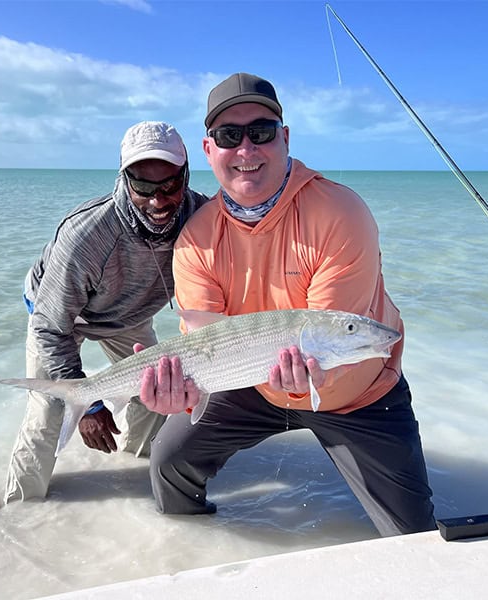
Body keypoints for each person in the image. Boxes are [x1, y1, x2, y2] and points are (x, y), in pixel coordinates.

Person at [145, 73, 436, 536]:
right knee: (167, 462)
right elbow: (204, 346)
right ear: (208, 150)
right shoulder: (195, 240)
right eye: (228, 136)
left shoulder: (339, 212)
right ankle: (199, 554)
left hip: (355, 394)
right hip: (250, 380)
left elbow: (337, 338)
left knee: (415, 540)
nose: (246, 150)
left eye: (260, 132)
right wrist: (182, 393)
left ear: (284, 138)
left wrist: (310, 380)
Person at [5, 121, 207, 503]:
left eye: (170, 185)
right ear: (124, 177)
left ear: (186, 175)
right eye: (143, 186)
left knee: (153, 393)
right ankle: (20, 507)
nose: (158, 200)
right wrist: (89, 404)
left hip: (127, 318)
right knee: (50, 409)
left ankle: (133, 474)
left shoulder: (202, 215)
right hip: (62, 317)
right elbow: (50, 327)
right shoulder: (86, 235)